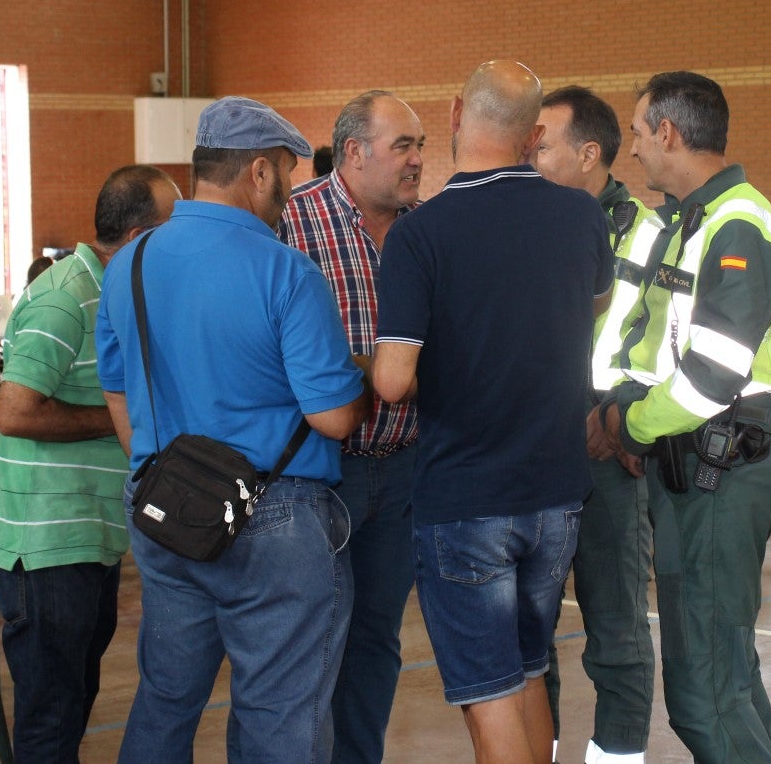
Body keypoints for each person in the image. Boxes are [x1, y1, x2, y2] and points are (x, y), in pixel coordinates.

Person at [96, 97, 369, 764]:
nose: (289, 190)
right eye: (285, 171)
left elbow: (120, 397)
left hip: (163, 508)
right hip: (274, 518)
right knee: (280, 711)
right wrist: (362, 376)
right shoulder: (286, 270)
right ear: (258, 171)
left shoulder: (127, 265)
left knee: (165, 697)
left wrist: (172, 471)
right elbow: (331, 416)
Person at [373, 61, 614, 764]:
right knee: (526, 670)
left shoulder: (421, 233)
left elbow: (391, 382)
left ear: (454, 112)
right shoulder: (580, 213)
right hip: (555, 491)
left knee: (488, 693)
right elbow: (589, 306)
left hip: (466, 495)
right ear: (534, 133)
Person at [592, 71, 771, 764]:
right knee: (728, 674)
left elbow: (713, 372)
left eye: (635, 134)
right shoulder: (693, 222)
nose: (631, 153)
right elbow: (663, 348)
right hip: (692, 471)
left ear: (668, 133)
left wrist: (631, 427)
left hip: (720, 472)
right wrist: (631, 407)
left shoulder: (736, 225)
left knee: (704, 693)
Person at [0, 164, 180, 763]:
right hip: (46, 548)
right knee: (51, 716)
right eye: (172, 230)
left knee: (74, 700)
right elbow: (14, 412)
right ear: (141, 234)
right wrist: (120, 418)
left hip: (86, 539)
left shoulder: (115, 289)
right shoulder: (68, 296)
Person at [279, 90, 426, 764]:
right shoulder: (291, 222)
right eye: (403, 146)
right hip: (318, 474)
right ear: (352, 152)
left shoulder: (426, 228)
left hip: (402, 472)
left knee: (375, 640)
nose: (417, 160)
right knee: (309, 641)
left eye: (420, 145)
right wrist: (373, 369)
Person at [531, 85, 663, 764]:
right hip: (532, 450)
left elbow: (669, 339)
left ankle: (615, 755)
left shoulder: (647, 232)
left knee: (614, 629)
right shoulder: (524, 220)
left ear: (588, 154)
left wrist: (619, 416)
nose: (530, 152)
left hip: (607, 453)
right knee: (529, 629)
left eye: (543, 141)